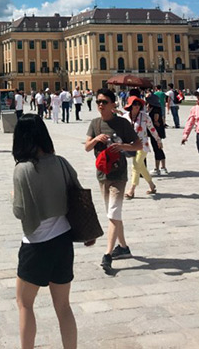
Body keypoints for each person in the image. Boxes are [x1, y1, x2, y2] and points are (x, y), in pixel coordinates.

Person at [13, 114, 92, 349]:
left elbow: (19, 212)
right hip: (63, 240)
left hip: (36, 244)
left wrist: (13, 196)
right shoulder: (61, 162)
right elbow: (78, 194)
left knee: (25, 304)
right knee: (63, 306)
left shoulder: (22, 169)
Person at [85, 88, 142, 275]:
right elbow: (87, 147)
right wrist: (96, 139)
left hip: (118, 174)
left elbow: (138, 145)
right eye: (98, 102)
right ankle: (123, 247)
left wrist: (122, 146)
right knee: (113, 214)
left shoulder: (122, 123)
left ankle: (108, 254)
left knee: (113, 212)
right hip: (103, 174)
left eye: (104, 102)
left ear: (112, 104)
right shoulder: (95, 123)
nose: (100, 105)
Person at [122, 96, 161, 199]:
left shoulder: (145, 117)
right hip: (132, 145)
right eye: (135, 104)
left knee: (135, 166)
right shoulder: (125, 117)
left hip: (143, 145)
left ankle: (131, 190)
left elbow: (152, 129)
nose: (137, 106)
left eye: (139, 104)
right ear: (130, 105)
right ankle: (152, 185)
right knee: (141, 167)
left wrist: (158, 140)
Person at [181, 87, 199, 162]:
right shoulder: (195, 109)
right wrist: (185, 135)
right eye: (197, 95)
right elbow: (190, 123)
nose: (198, 97)